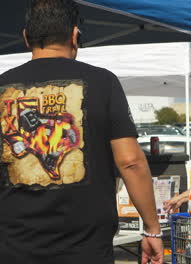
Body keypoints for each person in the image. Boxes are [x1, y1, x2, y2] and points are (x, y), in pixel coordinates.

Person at [0, 1, 163, 263]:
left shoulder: (2, 87)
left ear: (26, 38)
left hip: (13, 246)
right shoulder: (103, 82)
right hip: (86, 247)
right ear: (75, 36)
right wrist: (152, 229)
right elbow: (131, 162)